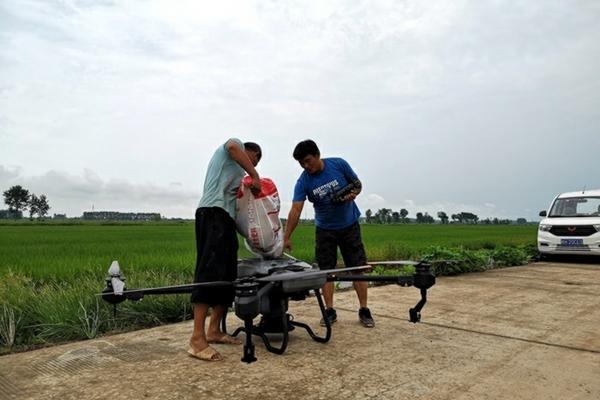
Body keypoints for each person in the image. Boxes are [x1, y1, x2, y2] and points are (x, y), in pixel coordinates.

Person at [283, 140, 374, 328]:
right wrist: (286, 236)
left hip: (349, 225)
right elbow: (296, 209)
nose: (306, 166)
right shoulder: (304, 181)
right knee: (327, 271)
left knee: (357, 268)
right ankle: (330, 310)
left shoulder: (338, 164)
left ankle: (364, 309)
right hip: (325, 230)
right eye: (302, 164)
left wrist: (353, 194)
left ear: (317, 155)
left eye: (308, 161)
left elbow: (357, 184)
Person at [188, 138, 262, 361]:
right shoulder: (233, 147)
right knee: (209, 274)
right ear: (247, 151)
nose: (253, 166)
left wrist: (259, 238)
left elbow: (240, 213)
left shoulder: (239, 178)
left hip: (225, 221)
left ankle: (214, 330)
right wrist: (254, 176)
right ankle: (196, 339)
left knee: (227, 276)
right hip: (211, 213)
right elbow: (231, 146)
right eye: (255, 160)